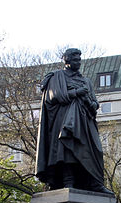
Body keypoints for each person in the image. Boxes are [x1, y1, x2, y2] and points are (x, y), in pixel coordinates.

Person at [35, 48, 113, 194]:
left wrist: (89, 102)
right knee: (67, 149)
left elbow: (95, 105)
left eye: (79, 59)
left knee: (95, 150)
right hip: (64, 120)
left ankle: (94, 182)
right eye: (75, 59)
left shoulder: (86, 81)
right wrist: (77, 93)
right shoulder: (57, 76)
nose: (78, 62)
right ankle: (68, 181)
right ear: (67, 60)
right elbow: (53, 96)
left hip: (85, 121)